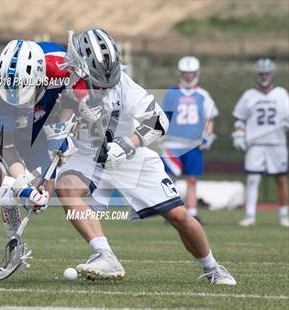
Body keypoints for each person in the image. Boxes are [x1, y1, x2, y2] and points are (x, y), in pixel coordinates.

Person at [55, 28, 236, 285]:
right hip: (87, 154)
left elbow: (159, 120)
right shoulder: (62, 80)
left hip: (129, 156)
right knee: (65, 188)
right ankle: (104, 254)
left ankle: (213, 268)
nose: (106, 74)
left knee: (179, 216)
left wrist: (128, 144)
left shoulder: (123, 84)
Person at [0, 39, 77, 285]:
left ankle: (10, 198)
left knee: (44, 190)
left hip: (43, 117)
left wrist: (62, 129)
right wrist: (22, 182)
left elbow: (75, 94)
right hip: (7, 124)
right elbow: (7, 149)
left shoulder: (63, 64)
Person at [161, 56, 218, 224]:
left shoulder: (202, 94)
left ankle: (193, 213)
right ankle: (171, 211)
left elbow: (210, 118)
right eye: (185, 73)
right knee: (171, 179)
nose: (188, 76)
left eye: (191, 73)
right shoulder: (172, 93)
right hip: (172, 143)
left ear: (196, 73)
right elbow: (164, 116)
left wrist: (208, 135)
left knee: (192, 179)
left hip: (193, 144)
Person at [232, 58, 289, 227]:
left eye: (267, 73)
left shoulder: (281, 94)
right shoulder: (249, 95)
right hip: (255, 144)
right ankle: (250, 215)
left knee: (280, 179)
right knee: (252, 179)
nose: (264, 76)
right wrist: (239, 135)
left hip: (276, 143)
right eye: (261, 73)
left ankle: (284, 215)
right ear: (257, 75)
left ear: (272, 74)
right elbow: (240, 120)